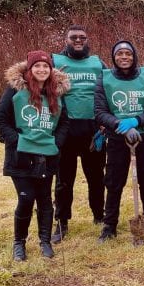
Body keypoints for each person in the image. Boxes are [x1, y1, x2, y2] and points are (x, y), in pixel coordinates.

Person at [0, 51, 69, 261]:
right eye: (37, 66)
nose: (41, 70)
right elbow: (0, 120)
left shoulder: (57, 92)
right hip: (21, 156)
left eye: (45, 66)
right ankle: (19, 243)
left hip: (47, 156)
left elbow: (64, 122)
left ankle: (45, 241)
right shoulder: (15, 91)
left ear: (50, 69)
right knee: (26, 199)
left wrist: (57, 142)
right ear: (29, 68)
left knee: (45, 199)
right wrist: (18, 141)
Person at [94, 40, 144, 242]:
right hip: (117, 140)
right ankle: (109, 226)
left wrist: (137, 120)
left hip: (143, 139)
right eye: (120, 54)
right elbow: (99, 111)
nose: (124, 57)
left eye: (128, 53)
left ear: (134, 56)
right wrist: (117, 123)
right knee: (114, 182)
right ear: (114, 57)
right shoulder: (104, 79)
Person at [51, 25, 106, 242]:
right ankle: (62, 221)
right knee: (64, 179)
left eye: (82, 37)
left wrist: (106, 122)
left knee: (96, 176)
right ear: (66, 39)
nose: (78, 40)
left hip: (93, 129)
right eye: (73, 37)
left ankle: (99, 215)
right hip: (65, 129)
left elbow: (109, 90)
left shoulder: (97, 63)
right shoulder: (55, 62)